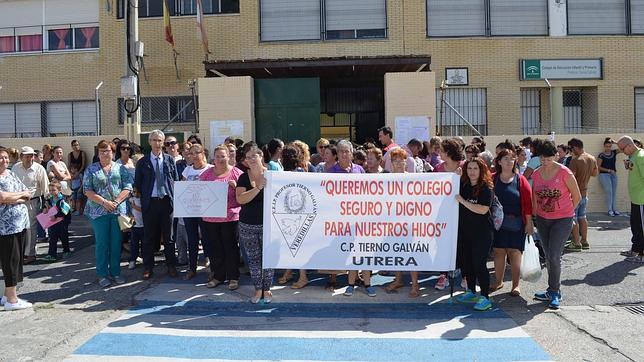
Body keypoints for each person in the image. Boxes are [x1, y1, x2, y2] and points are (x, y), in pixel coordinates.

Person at [532, 140, 581, 309]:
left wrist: (568, 214)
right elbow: (535, 196)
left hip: (562, 219)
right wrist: (534, 214)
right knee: (548, 255)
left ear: (555, 156)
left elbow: (577, 196)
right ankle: (550, 290)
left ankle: (555, 291)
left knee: (554, 256)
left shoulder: (564, 173)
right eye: (542, 158)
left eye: (548, 158)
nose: (545, 161)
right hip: (542, 219)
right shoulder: (536, 174)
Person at [83, 140, 133, 288]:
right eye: (102, 151)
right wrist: (105, 202)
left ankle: (116, 272)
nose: (105, 153)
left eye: (108, 151)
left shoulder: (121, 168)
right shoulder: (91, 169)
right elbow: (87, 190)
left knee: (116, 243)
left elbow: (128, 187)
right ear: (98, 153)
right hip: (98, 212)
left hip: (118, 211)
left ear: (113, 152)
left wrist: (116, 202)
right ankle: (102, 274)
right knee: (102, 243)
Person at [134, 130, 179, 280]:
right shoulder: (142, 162)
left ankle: (171, 265)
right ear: (149, 142)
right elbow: (138, 185)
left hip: (167, 203)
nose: (158, 143)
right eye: (155, 140)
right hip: (150, 204)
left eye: (160, 141)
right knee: (149, 237)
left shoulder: (169, 160)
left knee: (169, 237)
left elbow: (176, 181)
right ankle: (148, 267)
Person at [490, 149, 534, 297]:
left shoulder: (521, 180)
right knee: (498, 252)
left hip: (517, 223)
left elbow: (528, 204)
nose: (509, 161)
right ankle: (498, 281)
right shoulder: (492, 179)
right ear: (499, 161)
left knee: (515, 253)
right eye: (505, 159)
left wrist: (529, 223)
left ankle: (516, 285)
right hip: (497, 224)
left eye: (511, 159)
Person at [200, 145, 243, 289]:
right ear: (213, 158)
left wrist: (236, 186)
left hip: (230, 217)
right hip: (210, 218)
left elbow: (244, 195)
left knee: (230, 247)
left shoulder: (237, 173)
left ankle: (233, 277)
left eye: (223, 156)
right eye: (217, 156)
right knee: (215, 248)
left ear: (229, 157)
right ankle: (218, 276)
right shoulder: (206, 174)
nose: (220, 159)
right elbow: (198, 193)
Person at [454, 157, 494, 311]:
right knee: (466, 263)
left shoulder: (486, 188)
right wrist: (455, 177)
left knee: (479, 264)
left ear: (481, 170)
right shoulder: (463, 185)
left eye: (475, 169)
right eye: (469, 168)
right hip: (465, 231)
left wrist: (463, 201)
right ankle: (471, 290)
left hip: (482, 233)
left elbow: (483, 209)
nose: (472, 172)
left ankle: (485, 297)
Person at [236, 145, 273, 303]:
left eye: (254, 156)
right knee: (254, 259)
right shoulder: (243, 177)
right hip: (247, 225)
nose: (251, 159)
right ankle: (258, 289)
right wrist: (258, 187)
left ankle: (267, 289)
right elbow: (241, 199)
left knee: (269, 258)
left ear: (261, 156)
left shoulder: (273, 175)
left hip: (269, 226)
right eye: (248, 157)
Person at [383, 148, 419, 298]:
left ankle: (415, 285)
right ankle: (398, 279)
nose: (398, 163)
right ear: (391, 163)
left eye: (401, 160)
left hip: (409, 223)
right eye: (395, 160)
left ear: (406, 162)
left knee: (410, 252)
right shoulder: (385, 180)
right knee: (395, 251)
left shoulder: (413, 179)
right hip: (391, 223)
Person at [0, 147, 33, 310]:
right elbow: (1, 197)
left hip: (20, 224)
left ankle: (7, 296)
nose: (4, 160)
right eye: (1, 158)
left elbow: (27, 193)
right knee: (10, 261)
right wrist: (16, 197)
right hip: (5, 228)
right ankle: (12, 300)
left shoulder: (11, 173)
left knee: (17, 259)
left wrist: (14, 198)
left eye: (6, 158)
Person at [433, 138, 466, 290]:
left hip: (463, 211)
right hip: (442, 212)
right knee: (442, 243)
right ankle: (443, 274)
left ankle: (465, 275)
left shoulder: (465, 167)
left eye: (441, 150)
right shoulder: (438, 168)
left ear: (448, 152)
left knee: (462, 243)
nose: (438, 152)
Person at [181, 144, 213, 280]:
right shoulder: (187, 171)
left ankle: (212, 266)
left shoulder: (210, 169)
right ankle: (192, 268)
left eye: (196, 153)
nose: (194, 156)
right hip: (190, 210)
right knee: (192, 239)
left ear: (203, 153)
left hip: (206, 210)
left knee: (208, 237)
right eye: (191, 153)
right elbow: (182, 188)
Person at [12, 146, 49, 264]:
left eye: (32, 155)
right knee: (19, 227)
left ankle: (31, 254)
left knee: (31, 228)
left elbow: (45, 187)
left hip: (33, 202)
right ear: (21, 157)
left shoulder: (39, 169)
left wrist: (46, 203)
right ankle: (24, 252)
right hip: (17, 202)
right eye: (27, 156)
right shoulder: (15, 168)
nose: (30, 158)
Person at [566, 138, 598, 251]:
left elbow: (569, 177)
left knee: (572, 218)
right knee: (582, 217)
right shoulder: (592, 158)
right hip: (584, 192)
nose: (570, 151)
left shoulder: (575, 161)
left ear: (575, 147)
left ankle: (576, 242)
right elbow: (595, 173)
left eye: (570, 148)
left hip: (574, 194)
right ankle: (584, 241)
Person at [616, 136, 644, 263]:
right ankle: (636, 249)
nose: (622, 152)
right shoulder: (633, 156)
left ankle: (642, 255)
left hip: (642, 199)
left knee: (641, 227)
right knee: (636, 226)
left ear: (629, 145)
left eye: (622, 149)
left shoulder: (640, 157)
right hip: (636, 199)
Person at [42, 180, 72, 262]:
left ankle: (66, 250)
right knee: (52, 238)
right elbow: (46, 209)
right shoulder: (49, 200)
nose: (52, 192)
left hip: (62, 222)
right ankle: (52, 254)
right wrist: (45, 209)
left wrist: (56, 216)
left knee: (63, 237)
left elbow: (65, 211)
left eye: (54, 190)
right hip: (53, 222)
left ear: (59, 190)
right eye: (50, 190)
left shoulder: (63, 200)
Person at [597, 137, 621, 216]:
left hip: (613, 175)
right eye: (606, 146)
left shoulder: (614, 152)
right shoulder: (601, 155)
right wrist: (608, 170)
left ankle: (614, 209)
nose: (608, 148)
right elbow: (598, 167)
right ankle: (610, 210)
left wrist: (615, 142)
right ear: (604, 146)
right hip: (604, 175)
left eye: (610, 146)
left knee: (614, 192)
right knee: (609, 192)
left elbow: (623, 148)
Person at [128, 187, 144, 270]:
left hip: (143, 226)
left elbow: (143, 210)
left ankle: (146, 259)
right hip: (134, 225)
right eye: (134, 192)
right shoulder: (131, 199)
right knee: (134, 244)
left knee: (145, 245)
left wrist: (134, 206)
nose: (135, 193)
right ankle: (133, 260)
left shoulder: (143, 200)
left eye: (137, 192)